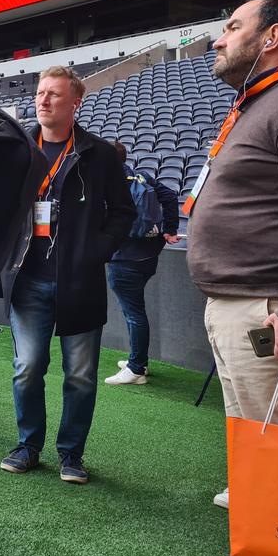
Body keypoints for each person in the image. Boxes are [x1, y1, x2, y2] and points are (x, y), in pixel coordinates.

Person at [186, 0, 278, 510]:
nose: (219, 40)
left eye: (233, 27)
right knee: (250, 424)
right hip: (236, 302)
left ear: (272, 37)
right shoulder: (263, 101)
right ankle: (263, 513)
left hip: (269, 308)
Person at [0, 66, 134, 485]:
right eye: (40, 93)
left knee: (80, 375)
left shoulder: (99, 154)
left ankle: (71, 453)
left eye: (54, 94)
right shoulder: (20, 152)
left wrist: (96, 252)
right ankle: (28, 445)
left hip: (80, 282)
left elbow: (124, 213)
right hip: (27, 279)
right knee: (27, 367)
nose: (43, 100)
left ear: (75, 103)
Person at [103, 141, 180, 385]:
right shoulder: (141, 176)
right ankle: (138, 360)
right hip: (148, 255)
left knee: (134, 314)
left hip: (125, 260)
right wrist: (170, 230)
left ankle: (136, 368)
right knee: (135, 312)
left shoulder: (106, 184)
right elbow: (170, 196)